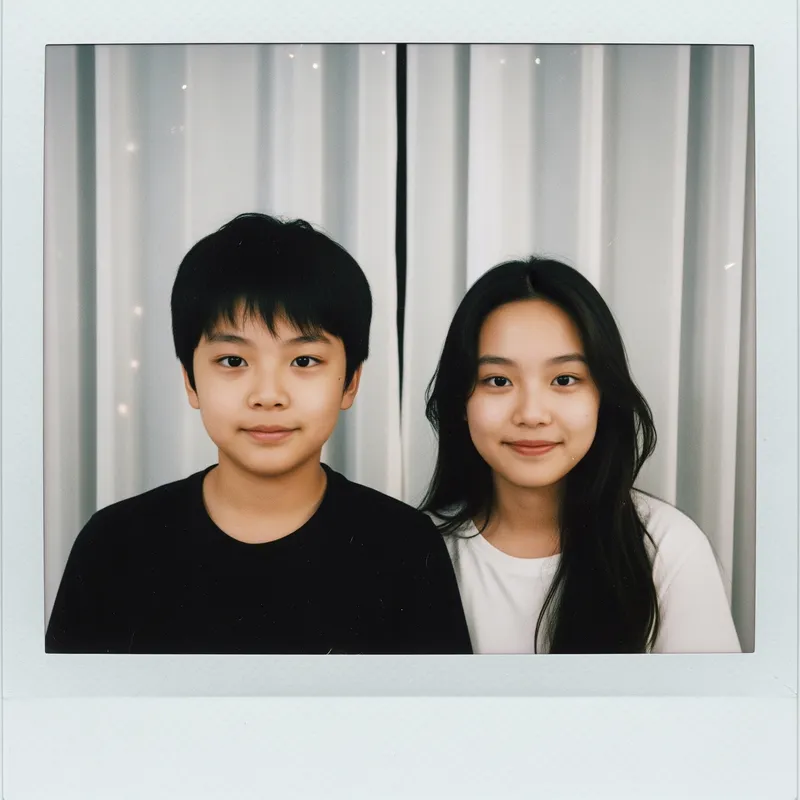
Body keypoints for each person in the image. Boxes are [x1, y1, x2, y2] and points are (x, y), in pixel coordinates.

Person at [46, 213, 471, 655]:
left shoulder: (402, 547)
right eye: (233, 361)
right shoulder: (115, 545)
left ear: (350, 382)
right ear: (190, 381)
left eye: (304, 361)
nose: (268, 396)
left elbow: (434, 720)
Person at [420, 257, 741, 654]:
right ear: (460, 400)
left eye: (564, 380)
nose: (532, 414)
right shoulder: (418, 551)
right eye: (498, 380)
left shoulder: (667, 548)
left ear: (603, 395)